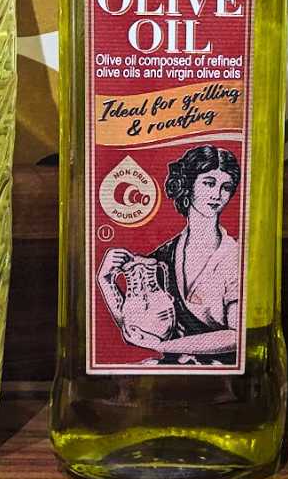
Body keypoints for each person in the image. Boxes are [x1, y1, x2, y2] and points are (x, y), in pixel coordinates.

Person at [96, 145, 242, 366]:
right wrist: (106, 282)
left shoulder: (234, 256)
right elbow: (137, 330)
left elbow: (237, 335)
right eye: (209, 183)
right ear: (189, 184)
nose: (217, 194)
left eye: (226, 187)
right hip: (172, 374)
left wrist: (164, 347)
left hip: (224, 380)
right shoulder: (164, 256)